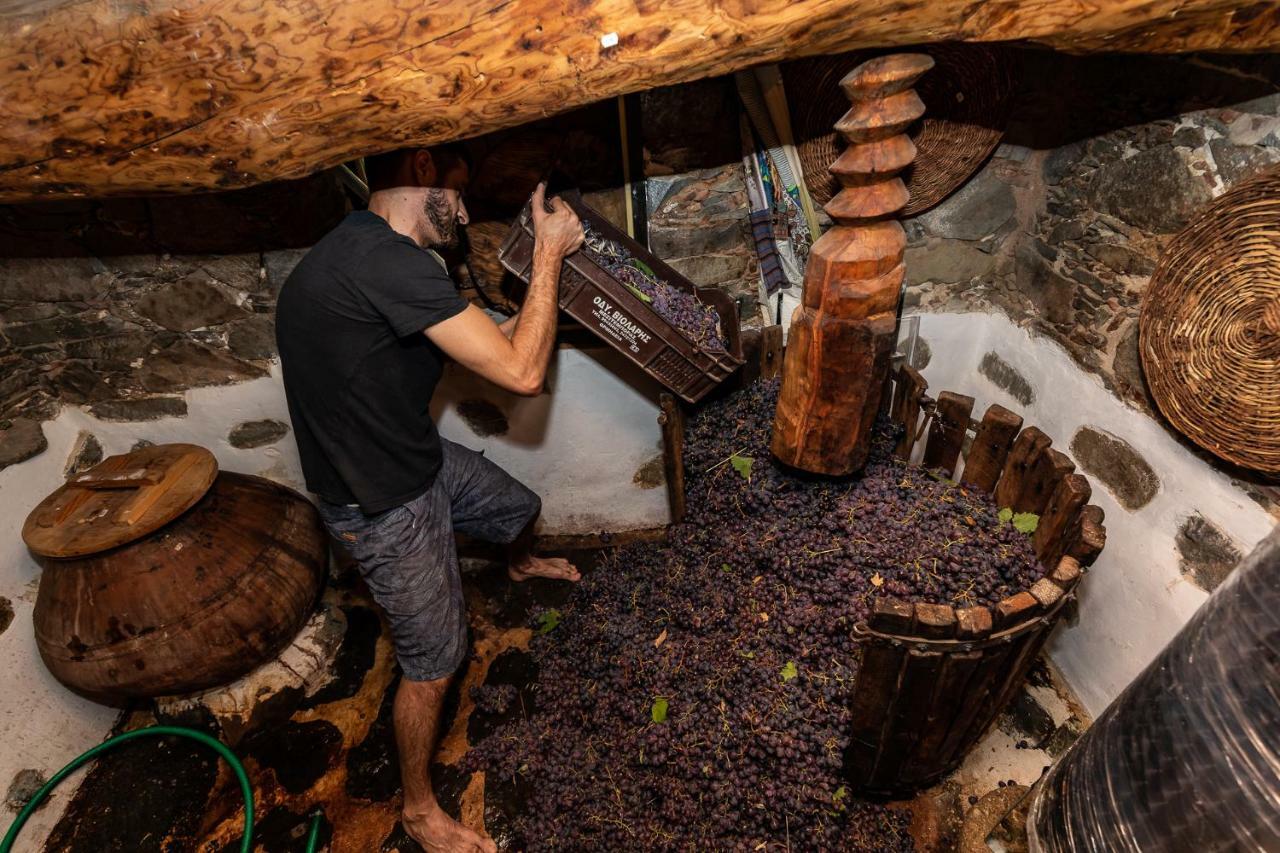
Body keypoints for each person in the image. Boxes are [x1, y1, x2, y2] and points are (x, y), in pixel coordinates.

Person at [275, 145, 583, 853]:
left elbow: (489, 340)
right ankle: (417, 808)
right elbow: (522, 373)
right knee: (435, 658)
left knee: (516, 507)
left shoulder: (372, 251)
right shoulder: (388, 263)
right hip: (382, 505)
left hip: (411, 456)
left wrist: (531, 311)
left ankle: (517, 559)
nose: (467, 211)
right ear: (422, 170)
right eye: (460, 191)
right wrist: (548, 256)